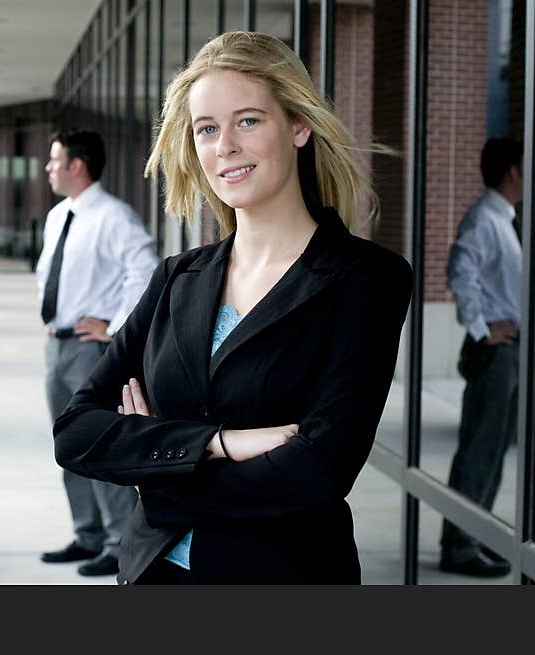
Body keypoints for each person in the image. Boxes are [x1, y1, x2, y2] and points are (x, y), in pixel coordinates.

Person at [53, 31, 412, 584]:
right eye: (207, 129)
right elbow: (76, 432)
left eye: (248, 121)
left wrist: (155, 469)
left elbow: (316, 473)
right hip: (152, 578)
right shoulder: (177, 278)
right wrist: (221, 444)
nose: (225, 147)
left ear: (298, 125)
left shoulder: (365, 280)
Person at [37, 129, 159, 576]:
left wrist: (116, 328)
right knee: (69, 445)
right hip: (58, 345)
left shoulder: (114, 217)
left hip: (92, 352)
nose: (48, 168)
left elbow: (145, 272)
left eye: (54, 160)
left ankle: (117, 543)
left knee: (102, 446)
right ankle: (87, 535)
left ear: (77, 164)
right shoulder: (58, 217)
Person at [439, 137, 523, 578]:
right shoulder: (486, 219)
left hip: (508, 352)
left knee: (492, 451)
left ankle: (476, 538)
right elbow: (460, 271)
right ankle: (459, 544)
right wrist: (481, 328)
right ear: (513, 171)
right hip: (495, 353)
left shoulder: (502, 219)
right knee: (480, 450)